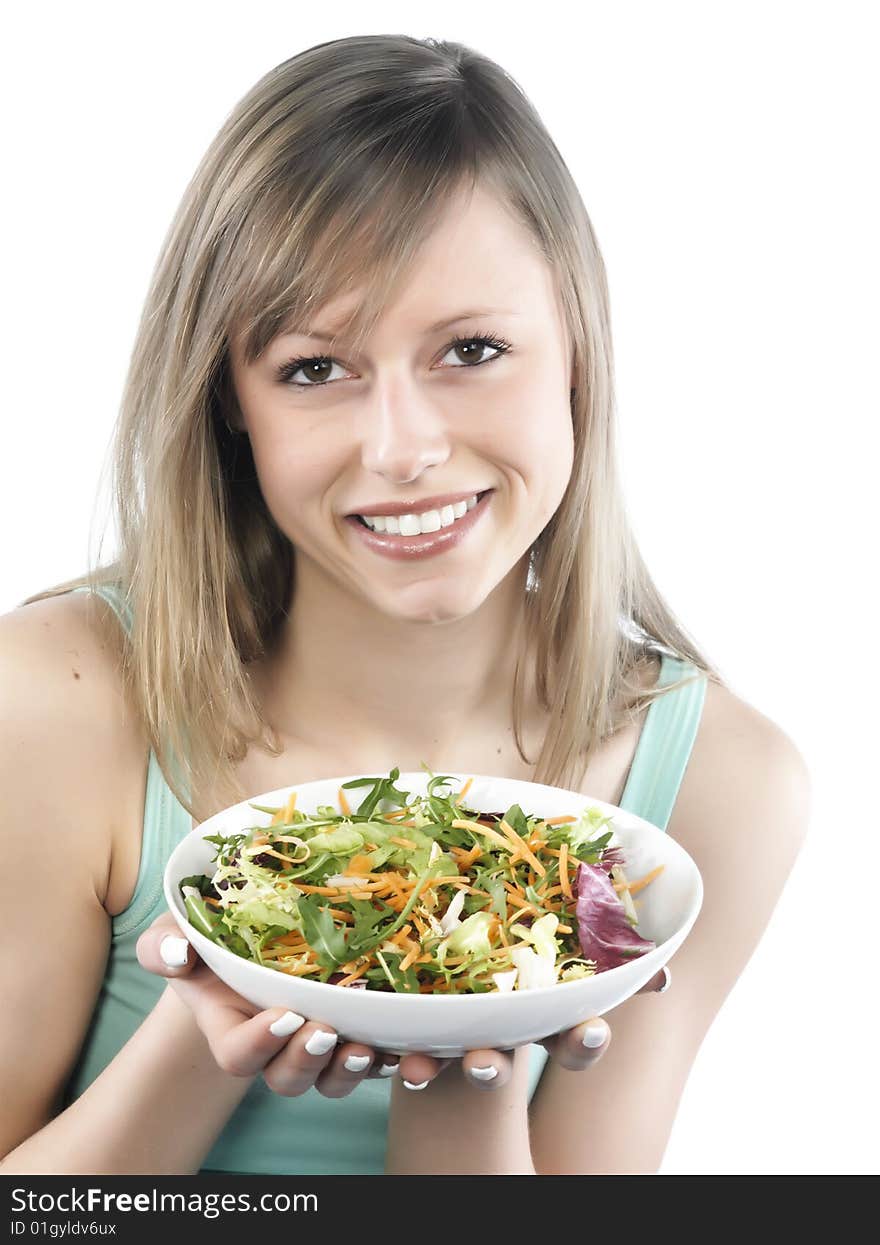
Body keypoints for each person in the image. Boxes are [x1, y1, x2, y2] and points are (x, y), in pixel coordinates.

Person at [0, 34, 810, 1177]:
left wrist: (464, 1051)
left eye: (471, 349)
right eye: (314, 369)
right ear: (229, 401)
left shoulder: (718, 784)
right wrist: (207, 1019)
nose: (405, 449)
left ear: (577, 349)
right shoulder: (55, 701)